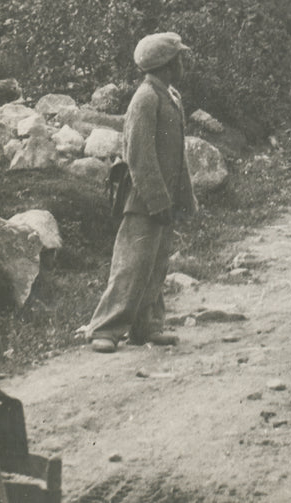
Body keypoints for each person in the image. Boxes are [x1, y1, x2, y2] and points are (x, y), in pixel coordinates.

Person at [87, 32, 198, 353]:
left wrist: (184, 197)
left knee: (156, 263)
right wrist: (157, 200)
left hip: (163, 200)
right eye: (179, 58)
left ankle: (146, 326)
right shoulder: (146, 98)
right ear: (166, 65)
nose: (183, 63)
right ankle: (104, 329)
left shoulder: (170, 95)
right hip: (143, 200)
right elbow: (139, 156)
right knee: (132, 264)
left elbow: (177, 155)